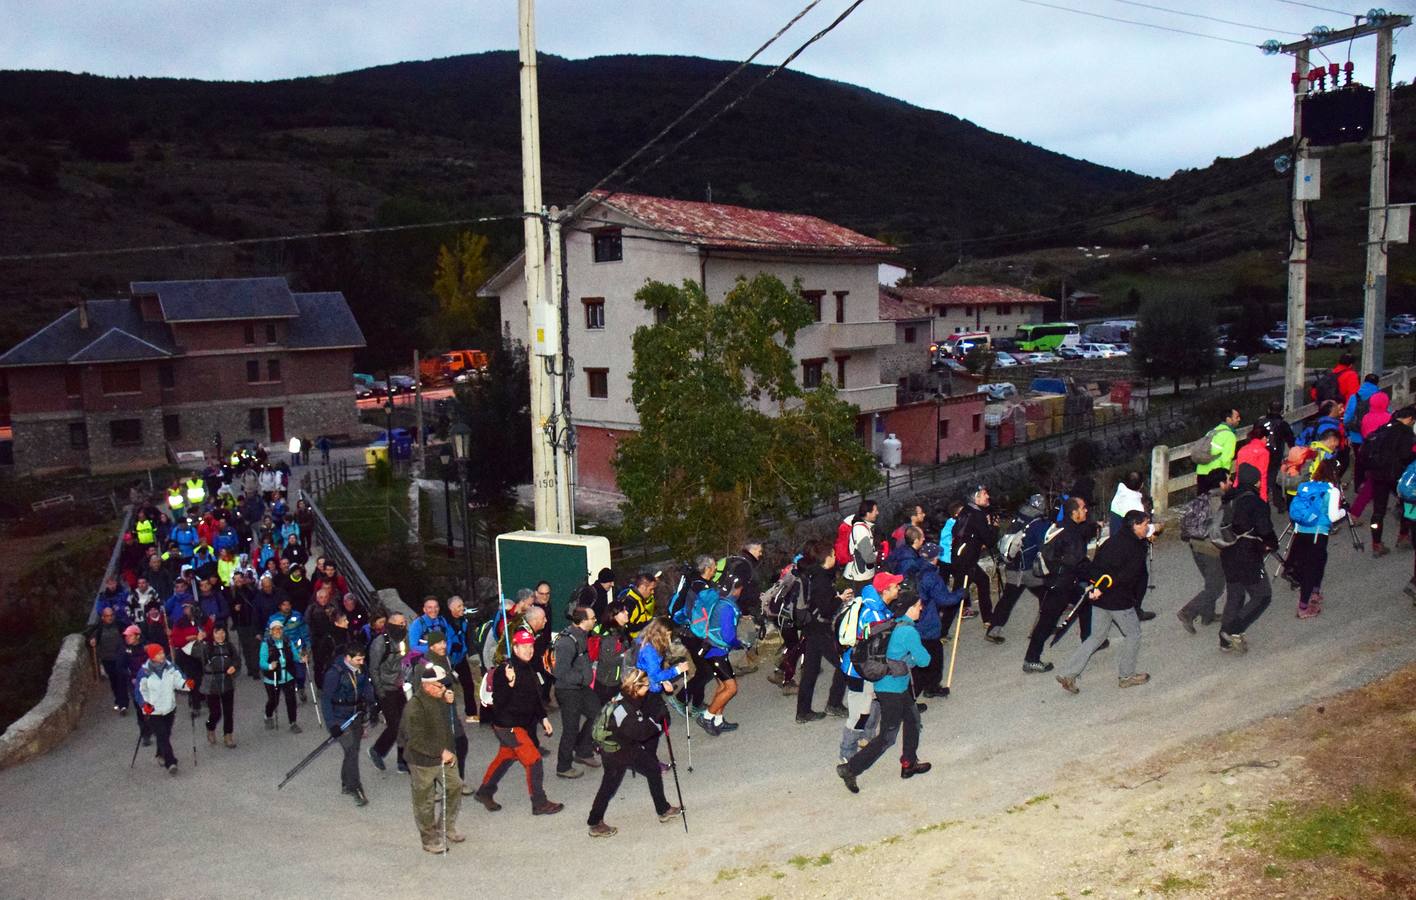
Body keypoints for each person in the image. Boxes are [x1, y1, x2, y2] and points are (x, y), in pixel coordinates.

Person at [835, 588, 932, 793]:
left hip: (893, 686)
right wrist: (910, 661)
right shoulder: (908, 632)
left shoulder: (892, 624)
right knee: (888, 736)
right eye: (918, 606)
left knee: (913, 720)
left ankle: (909, 763)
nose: (921, 608)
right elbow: (925, 660)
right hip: (892, 689)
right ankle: (851, 768)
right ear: (910, 608)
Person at [1056, 510, 1153, 694]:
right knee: (1134, 634)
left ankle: (1068, 673)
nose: (1146, 528)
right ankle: (1126, 676)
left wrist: (1095, 588)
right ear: (1134, 525)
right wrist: (1105, 588)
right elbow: (1126, 576)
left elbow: (1096, 566)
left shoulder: (1111, 541)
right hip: (1119, 600)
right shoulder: (1136, 548)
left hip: (1100, 599)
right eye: (1144, 524)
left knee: (1096, 637)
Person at [471, 629, 563, 816]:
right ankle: (539, 802)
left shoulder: (528, 667)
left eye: (531, 646)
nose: (529, 650)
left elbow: (535, 698)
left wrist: (543, 717)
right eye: (524, 646)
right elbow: (499, 703)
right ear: (515, 647)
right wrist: (509, 684)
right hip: (508, 725)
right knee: (534, 760)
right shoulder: (505, 671)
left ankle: (484, 792)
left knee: (505, 757)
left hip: (522, 724)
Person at [585, 667, 682, 837]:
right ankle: (594, 823)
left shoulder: (627, 695)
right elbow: (642, 733)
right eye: (645, 686)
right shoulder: (625, 709)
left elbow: (643, 708)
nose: (648, 689)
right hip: (616, 751)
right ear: (636, 688)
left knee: (652, 769)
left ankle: (663, 810)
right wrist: (657, 721)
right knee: (609, 786)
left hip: (624, 746)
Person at [1022, 496, 1095, 673]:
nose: (1086, 510)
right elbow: (1076, 563)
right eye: (1083, 508)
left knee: (1084, 602)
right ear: (1074, 513)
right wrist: (1095, 574)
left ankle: (1089, 640)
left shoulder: (1061, 526)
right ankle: (1031, 659)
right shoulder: (1071, 534)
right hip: (1059, 585)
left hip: (1061, 581)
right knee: (1047, 623)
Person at [398, 662, 465, 853]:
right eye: (440, 685)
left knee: (455, 786)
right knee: (425, 800)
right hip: (422, 761)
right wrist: (440, 752)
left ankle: (446, 825)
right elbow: (415, 740)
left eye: (444, 684)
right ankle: (429, 839)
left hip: (445, 755)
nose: (444, 688)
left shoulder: (439, 698)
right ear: (427, 685)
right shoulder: (415, 707)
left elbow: (444, 726)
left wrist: (448, 702)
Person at [1219, 463, 1279, 653]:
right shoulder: (1255, 502)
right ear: (1255, 481)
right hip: (1247, 554)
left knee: (1235, 595)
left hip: (1227, 551)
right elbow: (1265, 530)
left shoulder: (1228, 498)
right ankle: (1232, 630)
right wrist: (1272, 543)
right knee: (1262, 595)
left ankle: (1224, 641)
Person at [837, 572, 895, 764]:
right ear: (885, 590)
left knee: (875, 701)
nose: (898, 588)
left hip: (865, 667)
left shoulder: (873, 605)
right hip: (859, 671)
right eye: (895, 586)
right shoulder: (874, 614)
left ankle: (867, 738)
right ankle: (847, 751)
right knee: (859, 713)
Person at [793, 540, 848, 723]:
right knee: (844, 664)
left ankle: (803, 711)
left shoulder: (811, 574)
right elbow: (826, 609)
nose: (835, 556)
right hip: (820, 629)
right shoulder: (822, 580)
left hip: (810, 627)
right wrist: (840, 599)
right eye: (833, 554)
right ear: (826, 558)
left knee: (811, 670)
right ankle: (834, 703)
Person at [320, 643, 377, 807]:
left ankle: (346, 782)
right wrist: (332, 725)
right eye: (358, 659)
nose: (361, 661)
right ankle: (355, 787)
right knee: (351, 749)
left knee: (353, 750)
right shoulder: (334, 674)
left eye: (363, 658)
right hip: (339, 717)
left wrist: (373, 705)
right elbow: (325, 700)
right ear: (348, 658)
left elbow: (366, 686)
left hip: (356, 715)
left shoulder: (361, 668)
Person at [1288, 458, 1346, 619]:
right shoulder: (1331, 491)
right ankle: (1304, 606)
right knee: (1313, 567)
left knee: (1314, 562)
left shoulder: (1306, 486)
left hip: (1301, 532)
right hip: (1318, 533)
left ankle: (1314, 592)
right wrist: (1344, 512)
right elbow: (1334, 516)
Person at [1356, 406, 1416, 556]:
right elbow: (1405, 454)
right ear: (1409, 419)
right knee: (1407, 505)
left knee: (1378, 510)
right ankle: (1404, 535)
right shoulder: (1406, 432)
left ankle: (1377, 543)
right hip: (1396, 475)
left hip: (1377, 474)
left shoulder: (1382, 428)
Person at [1176, 469, 1230, 633]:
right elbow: (1222, 529)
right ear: (1221, 484)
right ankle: (1188, 612)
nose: (1231, 482)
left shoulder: (1201, 498)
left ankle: (1208, 615)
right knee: (1217, 586)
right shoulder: (1219, 501)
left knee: (1210, 581)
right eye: (1228, 479)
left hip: (1196, 545)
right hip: (1210, 549)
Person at [693, 574, 746, 737]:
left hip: (711, 650)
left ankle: (718, 720)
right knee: (731, 688)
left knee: (723, 687)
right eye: (740, 588)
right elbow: (729, 636)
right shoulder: (727, 607)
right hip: (716, 652)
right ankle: (707, 716)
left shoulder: (721, 602)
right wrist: (741, 644)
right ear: (735, 589)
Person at [553, 605, 602, 778]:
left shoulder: (582, 635)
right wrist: (582, 678)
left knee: (598, 714)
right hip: (568, 690)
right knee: (570, 728)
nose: (595, 620)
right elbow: (559, 672)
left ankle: (583, 750)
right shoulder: (567, 642)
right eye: (592, 618)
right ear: (582, 621)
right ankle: (563, 766)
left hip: (581, 688)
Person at [913, 542, 964, 696]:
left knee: (920, 654)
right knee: (934, 656)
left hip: (914, 618)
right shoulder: (932, 577)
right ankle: (931, 687)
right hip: (927, 622)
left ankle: (921, 688)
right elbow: (944, 599)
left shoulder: (915, 569)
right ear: (934, 558)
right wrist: (960, 594)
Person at [368, 612, 410, 774]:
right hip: (386, 688)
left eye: (404, 623)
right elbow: (374, 668)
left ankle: (403, 760)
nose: (403, 626)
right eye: (400, 623)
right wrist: (380, 691)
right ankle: (378, 750)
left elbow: (404, 659)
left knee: (405, 723)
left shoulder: (402, 640)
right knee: (395, 725)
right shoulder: (380, 643)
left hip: (400, 686)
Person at [950, 484, 998, 624]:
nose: (987, 496)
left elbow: (956, 531)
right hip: (966, 560)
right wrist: (994, 528)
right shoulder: (977, 515)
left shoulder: (966, 510)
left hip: (960, 556)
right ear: (976, 498)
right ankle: (941, 630)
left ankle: (988, 618)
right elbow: (989, 541)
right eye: (984, 494)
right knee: (957, 594)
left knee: (982, 582)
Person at [136, 644, 187, 775]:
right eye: (159, 654)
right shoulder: (144, 673)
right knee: (163, 735)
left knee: (165, 734)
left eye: (162, 652)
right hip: (154, 711)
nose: (162, 655)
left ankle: (160, 753)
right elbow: (140, 691)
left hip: (169, 707)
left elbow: (179, 680)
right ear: (152, 657)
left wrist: (186, 684)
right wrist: (144, 704)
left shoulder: (171, 667)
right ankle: (171, 762)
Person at [196, 624, 242, 748]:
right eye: (217, 633)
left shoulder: (230, 647)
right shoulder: (207, 647)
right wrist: (198, 641)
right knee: (215, 713)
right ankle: (210, 727)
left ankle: (228, 735)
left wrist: (234, 667)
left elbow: (237, 660)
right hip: (211, 684)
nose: (220, 636)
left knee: (228, 712)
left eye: (222, 633)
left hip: (227, 683)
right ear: (213, 634)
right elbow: (197, 654)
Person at [259, 619, 301, 732]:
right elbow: (262, 662)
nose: (278, 631)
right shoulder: (265, 644)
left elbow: (295, 656)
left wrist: (302, 658)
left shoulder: (288, 642)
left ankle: (293, 723)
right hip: (272, 678)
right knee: (274, 700)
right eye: (275, 629)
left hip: (288, 676)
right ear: (271, 631)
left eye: (280, 628)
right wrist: (269, 666)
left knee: (291, 700)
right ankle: (268, 716)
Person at [88, 607, 130, 713]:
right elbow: (90, 636)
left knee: (121, 679)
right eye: (107, 616)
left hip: (120, 657)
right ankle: (118, 699)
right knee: (113, 679)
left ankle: (123, 703)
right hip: (107, 658)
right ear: (103, 617)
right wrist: (92, 640)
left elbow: (129, 634)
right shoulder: (99, 628)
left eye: (111, 615)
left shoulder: (120, 625)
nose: (110, 618)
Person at [1257, 400, 1296, 510]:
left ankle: (1261, 500)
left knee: (1261, 477)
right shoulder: (1283, 424)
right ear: (1282, 411)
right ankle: (1279, 503)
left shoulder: (1260, 422)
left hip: (1259, 454)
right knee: (1275, 479)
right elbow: (1291, 441)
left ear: (1268, 409)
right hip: (1275, 455)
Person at [442, 596, 477, 722]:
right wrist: (450, 649)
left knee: (468, 684)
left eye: (462, 605)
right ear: (451, 608)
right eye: (459, 606)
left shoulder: (464, 621)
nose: (462, 608)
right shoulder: (444, 622)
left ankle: (471, 713)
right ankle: (447, 716)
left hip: (461, 658)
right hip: (447, 659)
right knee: (446, 687)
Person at [841, 499, 880, 590]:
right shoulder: (861, 530)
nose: (877, 513)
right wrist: (880, 554)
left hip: (862, 576)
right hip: (859, 578)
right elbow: (868, 557)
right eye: (875, 511)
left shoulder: (864, 527)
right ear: (868, 513)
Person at [1195, 408, 1241, 480]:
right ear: (1228, 419)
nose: (1239, 419)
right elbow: (1226, 459)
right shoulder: (1230, 435)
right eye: (1236, 417)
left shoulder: (1211, 432)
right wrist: (1226, 475)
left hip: (1201, 472)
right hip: (1216, 474)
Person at [618, 572, 657, 639]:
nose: (653, 592)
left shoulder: (639, 599)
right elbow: (625, 626)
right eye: (651, 589)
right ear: (642, 587)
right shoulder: (630, 602)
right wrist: (648, 624)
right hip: (632, 643)